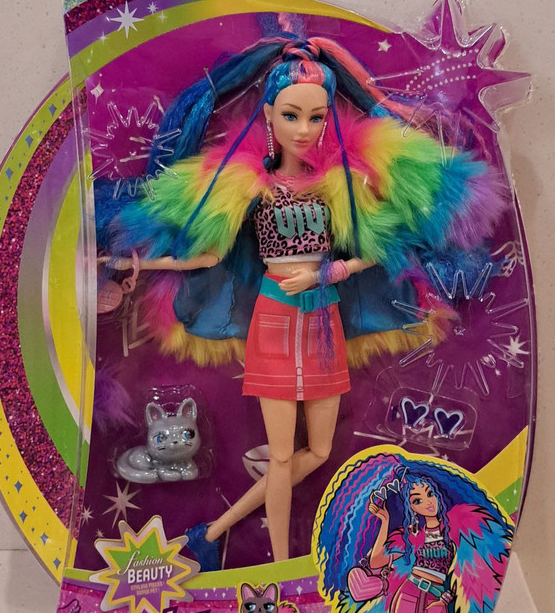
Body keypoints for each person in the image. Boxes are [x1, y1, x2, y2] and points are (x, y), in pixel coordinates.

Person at [97, 35, 504, 569]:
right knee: (286, 453)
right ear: (269, 115)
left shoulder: (342, 184)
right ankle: (280, 564)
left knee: (318, 450)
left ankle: (214, 530)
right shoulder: (253, 186)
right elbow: (209, 255)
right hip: (272, 319)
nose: (305, 129)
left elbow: (382, 248)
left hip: (323, 318)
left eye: (316, 117)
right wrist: (141, 265)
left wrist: (332, 270)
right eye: (292, 115)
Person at [314, 452, 513, 613]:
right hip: (407, 596)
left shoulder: (459, 528)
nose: (428, 502)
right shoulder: (410, 536)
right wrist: (385, 521)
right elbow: (376, 561)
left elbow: (468, 571)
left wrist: (444, 600)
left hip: (437, 597)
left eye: (430, 493)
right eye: (417, 500)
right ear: (411, 508)